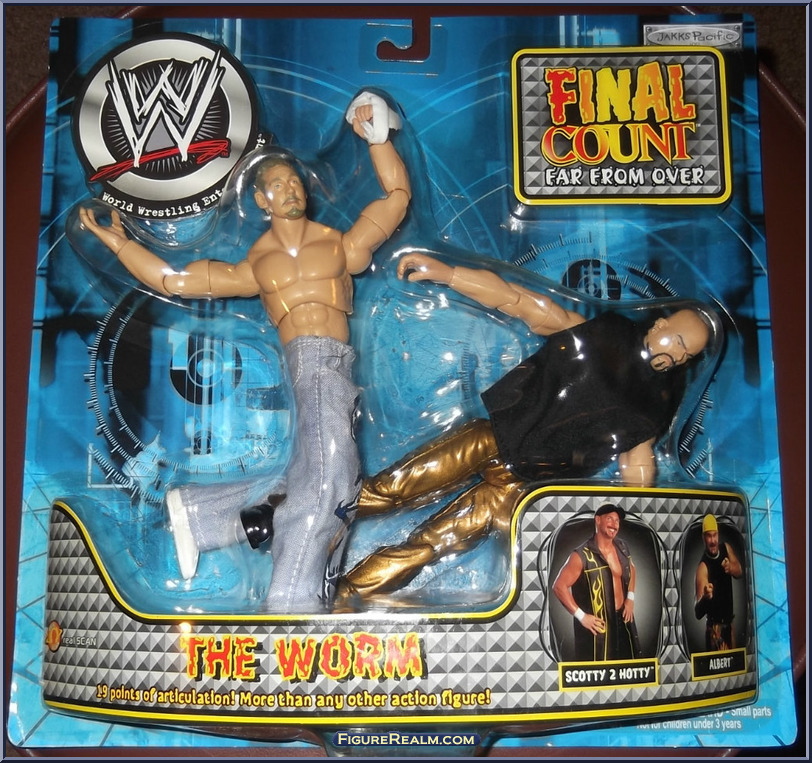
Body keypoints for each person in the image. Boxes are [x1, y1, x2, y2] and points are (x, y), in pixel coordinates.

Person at [78, 91, 411, 613]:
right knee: (331, 481)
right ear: (260, 201)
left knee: (312, 474)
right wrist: (120, 242)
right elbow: (174, 280)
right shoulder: (259, 265)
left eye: (295, 181)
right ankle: (292, 602)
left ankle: (200, 516)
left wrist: (377, 137)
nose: (290, 189)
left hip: (336, 363)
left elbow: (395, 197)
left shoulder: (339, 245)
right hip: (309, 364)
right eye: (276, 185)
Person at [335, 252, 714, 607]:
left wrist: (638, 519)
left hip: (522, 487)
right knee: (391, 489)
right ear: (660, 324)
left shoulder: (655, 404)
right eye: (679, 342)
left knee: (427, 547)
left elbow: (638, 461)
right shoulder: (603, 333)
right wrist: (449, 274)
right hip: (492, 438)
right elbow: (523, 302)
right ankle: (319, 514)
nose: (678, 356)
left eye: (688, 355)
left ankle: (344, 595)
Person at [552, 504, 641, 662]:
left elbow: (632, 568)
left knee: (629, 665)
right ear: (598, 520)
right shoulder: (581, 555)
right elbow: (559, 587)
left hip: (623, 620)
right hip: (599, 627)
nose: (614, 524)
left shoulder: (622, 547)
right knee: (600, 668)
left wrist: (630, 598)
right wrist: (582, 617)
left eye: (617, 521)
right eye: (610, 519)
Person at [694, 514, 742, 651]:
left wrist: (730, 568)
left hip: (729, 625)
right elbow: (698, 612)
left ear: (718, 535)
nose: (713, 540)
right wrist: (705, 597)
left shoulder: (726, 548)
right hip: (715, 630)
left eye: (714, 535)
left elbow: (739, 571)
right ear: (704, 538)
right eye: (709, 536)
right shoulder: (703, 567)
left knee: (734, 661)